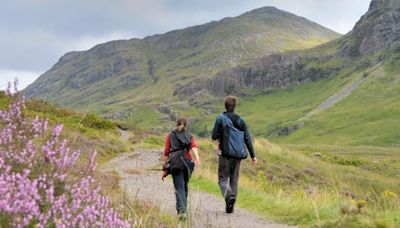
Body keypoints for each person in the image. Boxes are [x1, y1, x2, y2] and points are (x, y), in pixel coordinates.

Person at [211, 96, 257, 213]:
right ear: (234, 106)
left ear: (225, 106)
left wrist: (222, 133)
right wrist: (253, 156)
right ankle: (230, 206)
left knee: (222, 179)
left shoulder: (221, 118)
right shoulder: (241, 120)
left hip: (225, 153)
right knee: (234, 180)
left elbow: (214, 136)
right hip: (237, 154)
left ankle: (228, 196)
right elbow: (247, 139)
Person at [162, 117, 201, 221]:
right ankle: (183, 209)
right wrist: (197, 158)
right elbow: (193, 147)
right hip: (188, 164)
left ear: (176, 124)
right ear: (186, 125)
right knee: (184, 186)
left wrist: (165, 167)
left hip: (176, 164)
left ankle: (182, 212)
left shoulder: (170, 136)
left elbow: (166, 152)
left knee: (179, 187)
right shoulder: (189, 136)